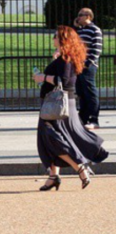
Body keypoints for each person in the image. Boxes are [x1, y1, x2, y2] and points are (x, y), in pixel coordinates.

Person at [33, 26, 108, 191]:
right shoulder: (64, 57)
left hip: (59, 106)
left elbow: (65, 81)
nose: (52, 38)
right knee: (50, 139)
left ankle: (79, 167)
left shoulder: (66, 59)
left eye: (55, 36)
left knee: (52, 138)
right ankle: (53, 176)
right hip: (59, 104)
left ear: (62, 39)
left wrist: (42, 77)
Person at [74, 8, 103, 130]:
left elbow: (97, 49)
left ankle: (94, 119)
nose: (78, 17)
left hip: (88, 66)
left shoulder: (95, 30)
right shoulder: (80, 31)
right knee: (81, 93)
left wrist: (88, 63)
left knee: (90, 93)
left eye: (80, 15)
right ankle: (83, 118)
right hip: (78, 65)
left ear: (88, 16)